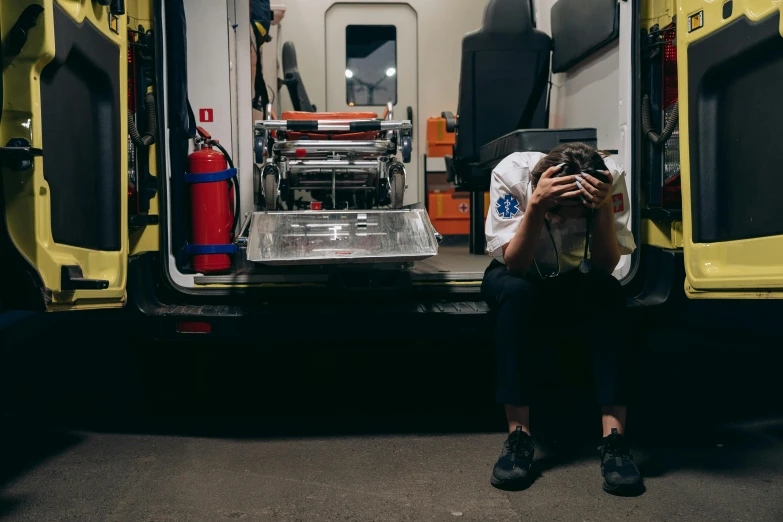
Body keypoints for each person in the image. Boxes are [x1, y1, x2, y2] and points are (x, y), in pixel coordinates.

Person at [482, 142, 642, 494]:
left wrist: (598, 210)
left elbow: (603, 267)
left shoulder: (609, 180)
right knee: (515, 293)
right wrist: (538, 206)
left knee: (610, 293)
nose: (560, 220)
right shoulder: (511, 175)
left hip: (574, 275)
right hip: (518, 271)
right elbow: (516, 264)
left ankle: (614, 440)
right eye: (558, 211)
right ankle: (518, 438)